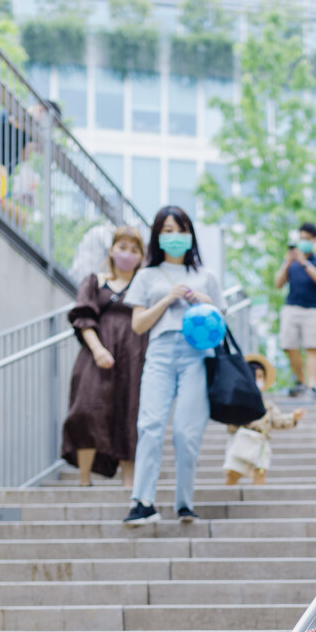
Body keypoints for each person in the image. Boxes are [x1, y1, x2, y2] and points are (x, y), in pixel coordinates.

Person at [124, 206, 221, 525]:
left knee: (186, 431)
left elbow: (222, 319)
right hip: (161, 350)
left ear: (190, 234)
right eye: (166, 230)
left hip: (197, 354)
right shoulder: (146, 275)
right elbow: (138, 325)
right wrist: (167, 299)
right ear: (157, 236)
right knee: (150, 425)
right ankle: (143, 501)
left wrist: (203, 300)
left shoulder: (206, 275)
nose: (174, 236)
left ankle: (184, 503)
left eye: (179, 229)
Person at [62, 224, 148, 487]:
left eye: (134, 250)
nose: (128, 254)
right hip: (95, 355)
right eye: (123, 247)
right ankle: (84, 480)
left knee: (129, 411)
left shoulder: (144, 286)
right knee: (87, 408)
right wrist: (98, 349)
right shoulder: (95, 281)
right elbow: (83, 316)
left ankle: (129, 482)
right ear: (111, 250)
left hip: (133, 357)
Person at [224, 351, 305, 485]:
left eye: (261, 377)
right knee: (234, 472)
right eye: (255, 376)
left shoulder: (267, 404)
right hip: (243, 439)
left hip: (261, 441)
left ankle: (258, 499)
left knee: (260, 473)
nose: (258, 380)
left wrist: (293, 417)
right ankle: (226, 499)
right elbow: (230, 423)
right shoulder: (237, 400)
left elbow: (278, 421)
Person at [274, 223, 316, 395]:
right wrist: (287, 262)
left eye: (307, 239)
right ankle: (300, 381)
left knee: (312, 347)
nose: (303, 242)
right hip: (291, 307)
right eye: (301, 239)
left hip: (313, 309)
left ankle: (312, 386)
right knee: (289, 345)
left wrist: (304, 262)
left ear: (315, 240)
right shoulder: (290, 262)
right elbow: (278, 283)